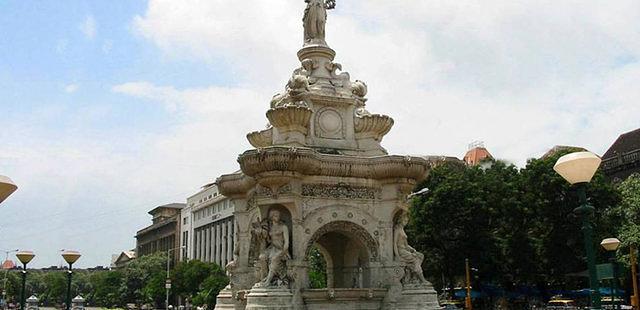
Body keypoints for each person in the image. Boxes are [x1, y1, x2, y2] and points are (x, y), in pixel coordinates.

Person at [256, 209, 290, 286]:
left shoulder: (283, 227)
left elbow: (287, 243)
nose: (277, 217)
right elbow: (267, 239)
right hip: (272, 248)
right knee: (262, 257)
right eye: (275, 215)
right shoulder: (270, 227)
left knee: (274, 259)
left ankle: (268, 281)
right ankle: (264, 278)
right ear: (272, 217)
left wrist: (283, 252)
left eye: (278, 215)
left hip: (281, 249)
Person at [393, 212, 427, 283]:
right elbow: (395, 243)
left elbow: (406, 245)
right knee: (416, 259)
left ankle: (414, 275)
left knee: (421, 256)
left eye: (407, 221)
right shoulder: (397, 229)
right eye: (405, 221)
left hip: (405, 250)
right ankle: (422, 279)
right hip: (401, 251)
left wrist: (412, 249)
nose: (406, 222)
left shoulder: (402, 230)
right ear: (401, 220)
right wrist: (397, 255)